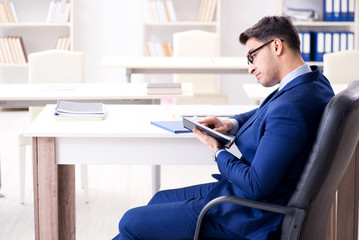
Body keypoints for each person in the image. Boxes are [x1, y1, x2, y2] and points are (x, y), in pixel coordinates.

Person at [112, 16, 334, 240]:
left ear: (276, 46)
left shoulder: (291, 109)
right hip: (247, 200)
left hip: (249, 216)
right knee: (158, 200)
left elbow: (255, 185)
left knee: (130, 223)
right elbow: (265, 112)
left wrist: (217, 151)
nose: (250, 68)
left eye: (252, 56)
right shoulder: (313, 83)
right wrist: (230, 123)